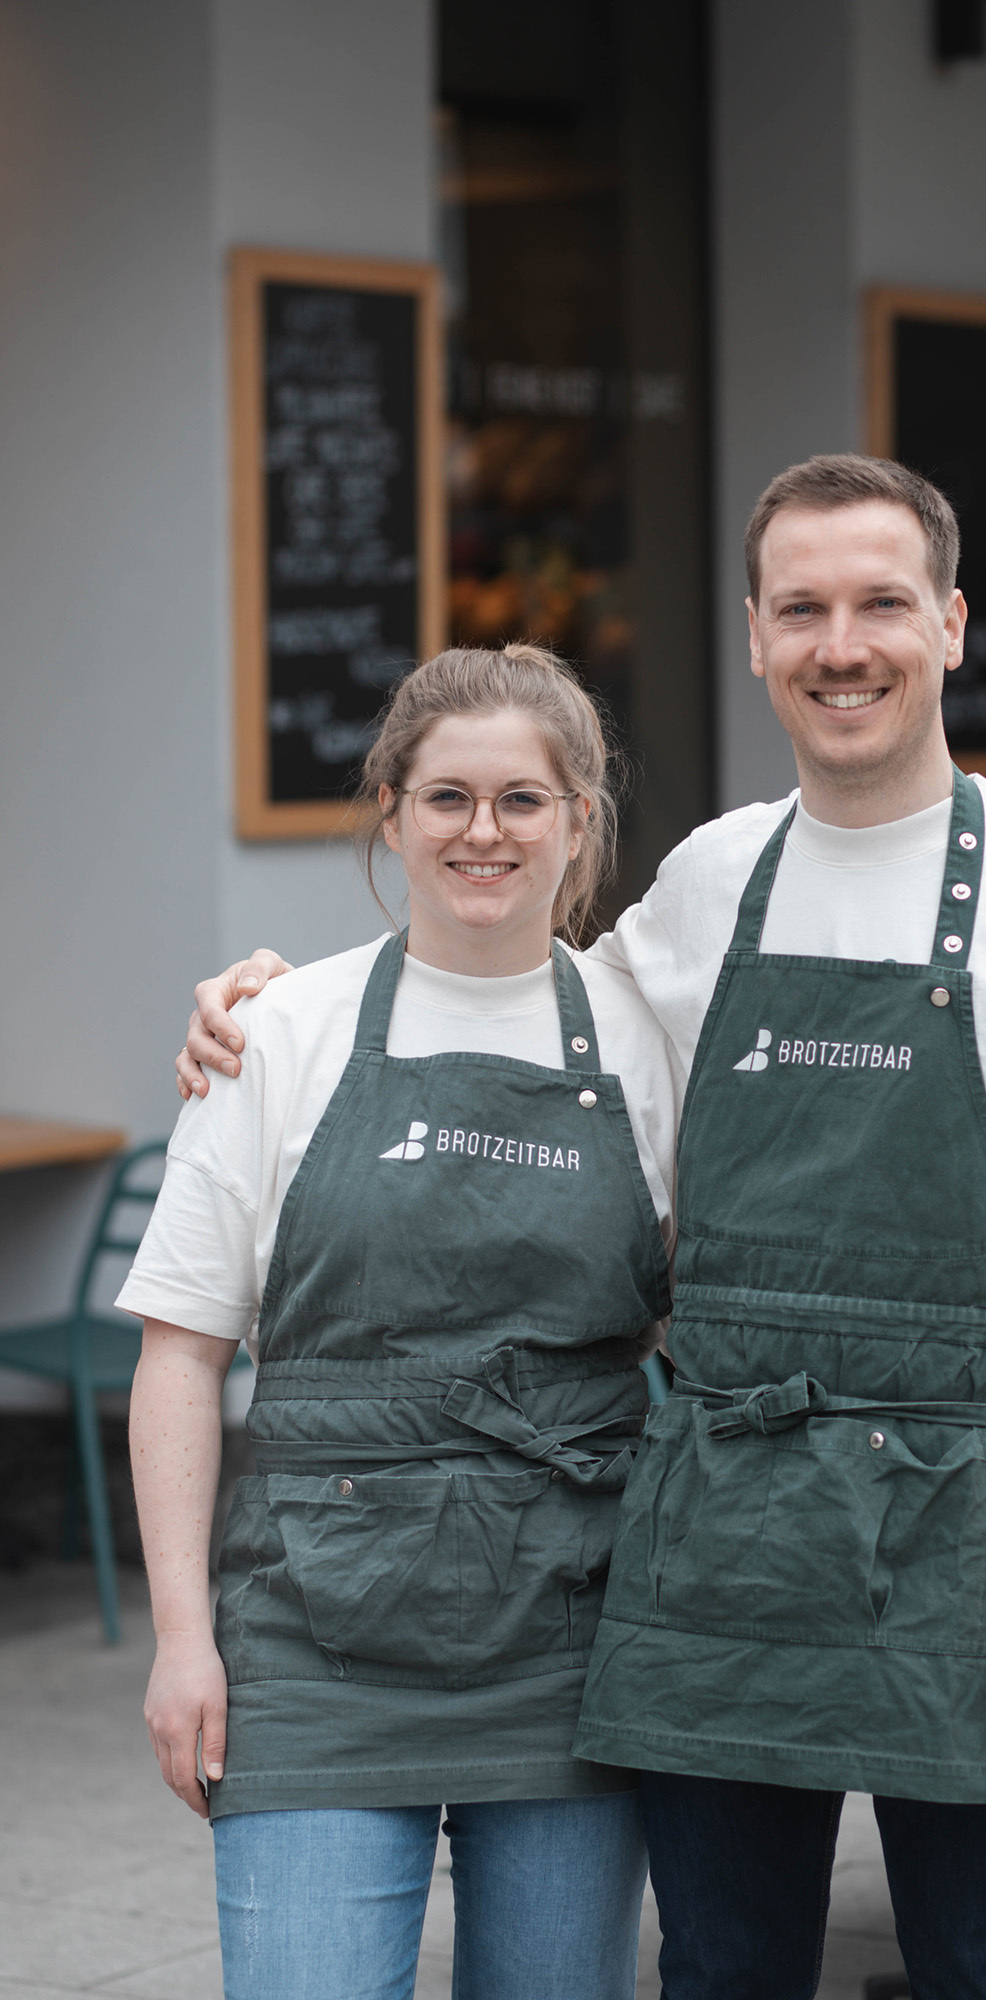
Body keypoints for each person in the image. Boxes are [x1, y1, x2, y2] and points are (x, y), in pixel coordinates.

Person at [179, 455, 986, 2000]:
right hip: (725, 1527)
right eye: (801, 608)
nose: (840, 644)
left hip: (983, 1541)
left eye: (878, 604)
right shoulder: (707, 884)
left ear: (948, 623)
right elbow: (506, 981)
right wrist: (266, 1011)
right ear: (753, 636)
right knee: (721, 1970)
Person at [121, 643, 677, 2000]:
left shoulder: (650, 1038)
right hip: (313, 1633)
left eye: (521, 802)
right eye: (445, 798)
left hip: (569, 1629)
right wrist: (183, 1640)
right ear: (390, 811)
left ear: (578, 822)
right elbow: (183, 1352)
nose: (482, 832)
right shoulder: (280, 1031)